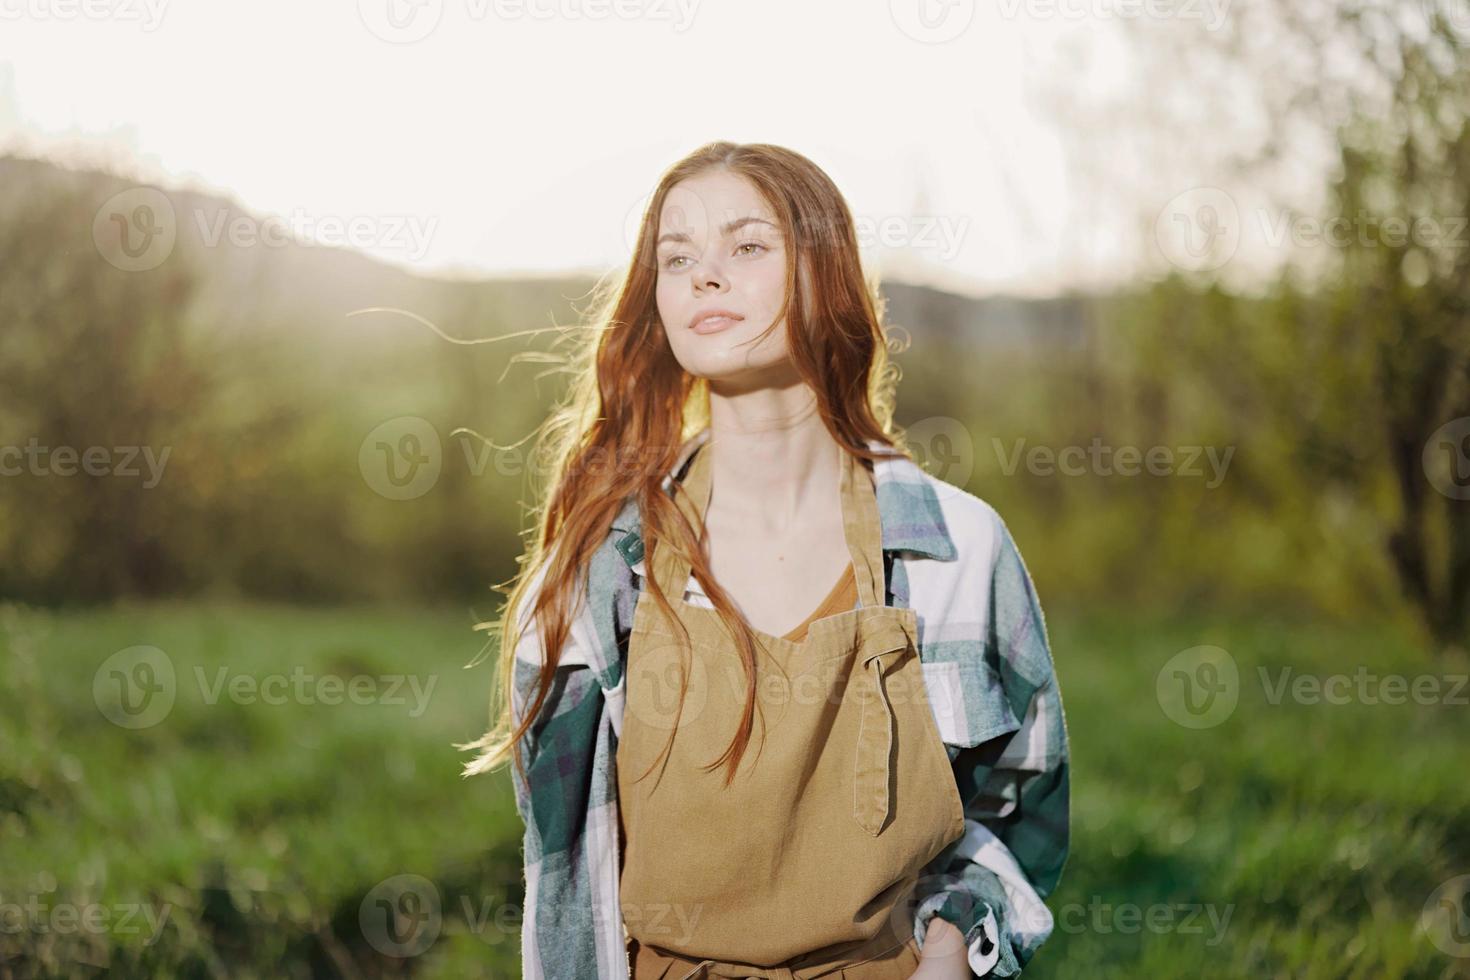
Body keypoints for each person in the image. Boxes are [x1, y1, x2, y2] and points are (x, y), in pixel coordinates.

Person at [460, 141, 1070, 979]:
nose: (704, 276)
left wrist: (952, 950)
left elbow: (1019, 804)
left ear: (829, 276)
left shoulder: (957, 550)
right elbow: (567, 871)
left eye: (746, 246)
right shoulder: (597, 566)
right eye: (677, 259)